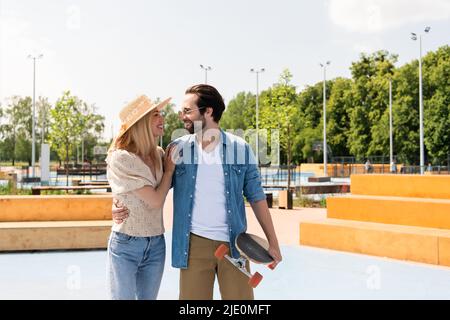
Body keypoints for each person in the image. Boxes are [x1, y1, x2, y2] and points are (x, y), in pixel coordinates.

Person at [113, 84, 282, 300]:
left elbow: (257, 197)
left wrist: (273, 242)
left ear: (208, 111)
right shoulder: (177, 149)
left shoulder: (240, 149)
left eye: (187, 111)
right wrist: (117, 203)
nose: (181, 116)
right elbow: (150, 184)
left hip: (235, 245)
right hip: (193, 247)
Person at [106, 95, 175, 300]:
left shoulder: (159, 154)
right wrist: (169, 172)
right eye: (155, 115)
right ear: (141, 123)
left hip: (156, 243)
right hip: (126, 244)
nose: (162, 117)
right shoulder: (122, 157)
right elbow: (155, 200)